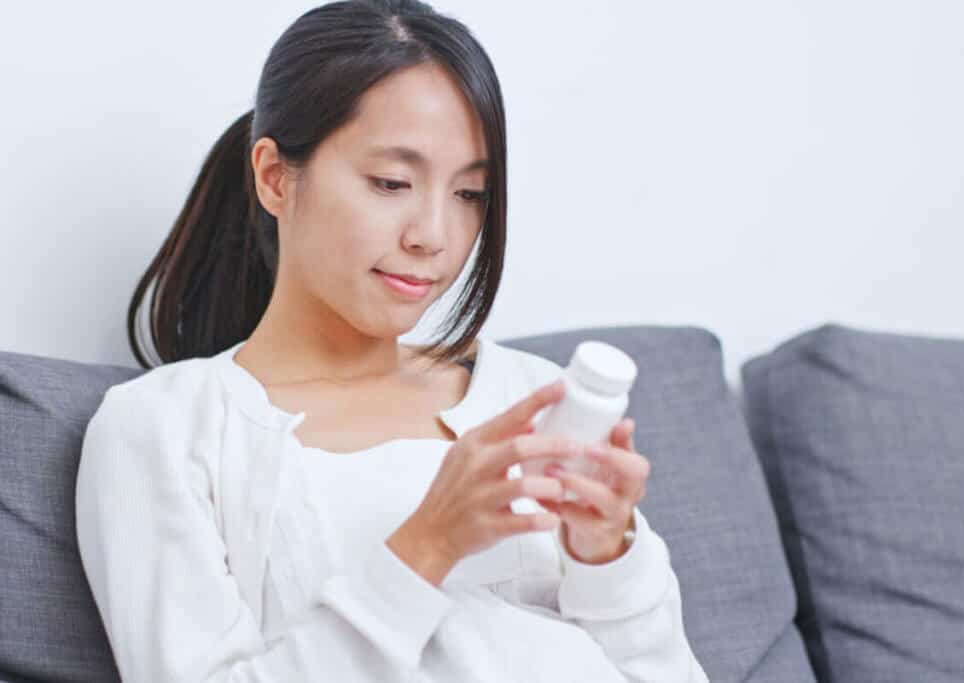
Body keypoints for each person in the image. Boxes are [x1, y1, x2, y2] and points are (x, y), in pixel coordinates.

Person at [74, 1, 710, 681]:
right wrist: (426, 545)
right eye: (391, 182)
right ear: (274, 177)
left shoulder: (530, 394)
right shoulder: (167, 428)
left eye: (470, 194)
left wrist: (605, 553)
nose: (433, 234)